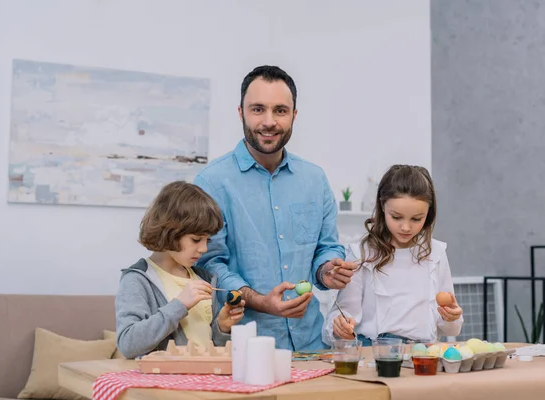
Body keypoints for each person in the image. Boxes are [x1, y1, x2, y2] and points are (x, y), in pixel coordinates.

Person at [194, 65, 356, 351]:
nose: (269, 121)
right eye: (258, 109)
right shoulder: (211, 182)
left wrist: (327, 271)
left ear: (294, 115)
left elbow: (326, 248)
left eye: (280, 110)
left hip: (313, 346)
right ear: (240, 112)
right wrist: (259, 301)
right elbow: (209, 265)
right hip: (244, 348)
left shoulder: (315, 180)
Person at [322, 165, 464, 347]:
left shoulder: (435, 253)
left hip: (423, 357)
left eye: (416, 219)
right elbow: (342, 316)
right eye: (396, 217)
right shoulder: (361, 254)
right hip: (376, 355)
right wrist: (339, 326)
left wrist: (452, 316)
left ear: (428, 214)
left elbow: (451, 329)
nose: (406, 227)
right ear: (382, 207)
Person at [115, 181, 245, 358]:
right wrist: (180, 305)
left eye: (207, 240)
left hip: (205, 380)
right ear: (170, 231)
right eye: (196, 239)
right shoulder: (137, 280)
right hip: (165, 382)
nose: (204, 249)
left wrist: (222, 327)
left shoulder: (203, 278)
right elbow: (128, 344)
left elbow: (210, 346)